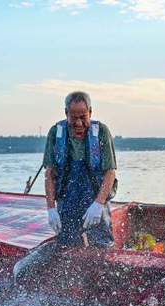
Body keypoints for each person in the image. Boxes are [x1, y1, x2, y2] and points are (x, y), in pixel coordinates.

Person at [43, 91, 117, 247]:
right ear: (66, 113)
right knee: (67, 243)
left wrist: (98, 204)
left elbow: (110, 172)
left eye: (83, 117)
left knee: (102, 244)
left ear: (90, 112)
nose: (78, 123)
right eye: (73, 117)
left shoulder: (101, 132)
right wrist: (51, 209)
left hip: (95, 198)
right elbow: (49, 172)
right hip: (67, 198)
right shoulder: (56, 132)